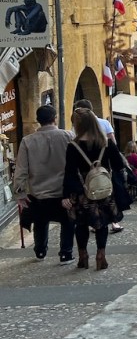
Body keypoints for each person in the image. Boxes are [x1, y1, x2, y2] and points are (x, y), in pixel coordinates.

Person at [62, 108, 124, 270]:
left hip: (82, 191)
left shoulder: (73, 146)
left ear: (77, 125)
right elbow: (119, 165)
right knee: (102, 223)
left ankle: (83, 256)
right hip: (103, 190)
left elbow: (69, 172)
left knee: (81, 224)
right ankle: (101, 255)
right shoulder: (106, 143)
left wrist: (66, 195)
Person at [14, 105, 75, 264]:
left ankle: (40, 251)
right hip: (62, 191)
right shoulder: (68, 136)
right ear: (55, 118)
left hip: (38, 192)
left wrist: (20, 193)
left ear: (38, 120)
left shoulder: (27, 141)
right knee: (67, 221)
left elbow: (21, 169)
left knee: (40, 221)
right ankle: (66, 253)